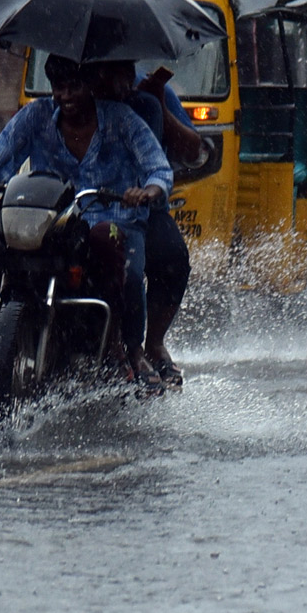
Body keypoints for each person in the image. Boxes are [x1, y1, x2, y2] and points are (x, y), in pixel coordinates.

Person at [0, 54, 173, 389]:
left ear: (92, 86)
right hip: (50, 222)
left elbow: (158, 168)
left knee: (126, 268)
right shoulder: (36, 115)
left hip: (112, 220)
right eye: (59, 88)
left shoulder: (123, 120)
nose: (66, 96)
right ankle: (0, 329)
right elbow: (0, 154)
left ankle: (128, 348)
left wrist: (147, 190)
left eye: (74, 86)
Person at [86, 60, 208, 387]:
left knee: (169, 258)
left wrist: (160, 105)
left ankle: (150, 344)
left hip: (141, 208)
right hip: (83, 203)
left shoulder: (149, 98)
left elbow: (193, 151)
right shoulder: (70, 93)